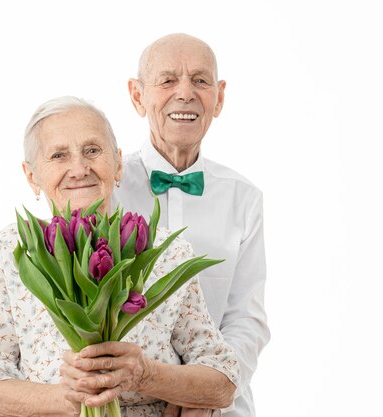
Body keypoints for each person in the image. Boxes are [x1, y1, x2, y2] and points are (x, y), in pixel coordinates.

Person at [0, 96, 238, 417]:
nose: (79, 169)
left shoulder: (168, 251)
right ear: (31, 176)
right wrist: (67, 397)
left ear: (118, 163)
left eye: (93, 151)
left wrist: (145, 374)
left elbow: (223, 380)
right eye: (58, 155)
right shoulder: (14, 248)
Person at [112, 33, 270, 417]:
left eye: (200, 80)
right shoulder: (108, 188)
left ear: (219, 97)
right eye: (167, 80)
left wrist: (208, 390)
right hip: (127, 404)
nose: (185, 93)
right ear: (137, 95)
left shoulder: (244, 197)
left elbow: (246, 318)